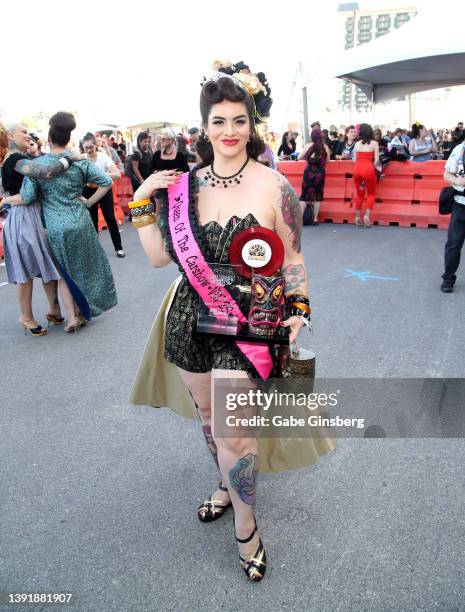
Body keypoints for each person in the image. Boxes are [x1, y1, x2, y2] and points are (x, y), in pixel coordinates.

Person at [129, 62, 334, 582]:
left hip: (250, 319)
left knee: (237, 435)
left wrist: (299, 310)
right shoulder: (181, 188)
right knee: (208, 417)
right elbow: (157, 258)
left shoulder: (274, 187)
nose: (229, 132)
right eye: (219, 121)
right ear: (204, 127)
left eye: (239, 121)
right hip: (189, 316)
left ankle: (246, 525)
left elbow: (292, 260)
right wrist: (140, 199)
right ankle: (225, 482)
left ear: (252, 124)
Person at [6, 112, 117, 331]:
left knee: (64, 273)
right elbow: (106, 181)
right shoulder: (79, 162)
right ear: (68, 139)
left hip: (55, 226)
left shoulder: (38, 164)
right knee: (85, 268)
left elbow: (27, 197)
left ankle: (71, 317)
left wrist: (7, 200)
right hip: (80, 220)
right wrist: (88, 202)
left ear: (48, 139)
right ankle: (83, 312)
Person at [0, 122, 75, 336]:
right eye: (23, 131)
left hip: (34, 215)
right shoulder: (15, 160)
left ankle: (54, 309)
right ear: (10, 136)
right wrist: (68, 158)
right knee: (26, 268)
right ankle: (26, 316)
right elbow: (46, 172)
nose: (28, 134)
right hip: (24, 217)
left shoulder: (23, 158)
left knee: (47, 262)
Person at [81, 133, 125, 258]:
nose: (89, 150)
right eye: (86, 148)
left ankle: (119, 248)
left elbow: (117, 174)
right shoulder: (82, 159)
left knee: (110, 218)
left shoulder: (103, 157)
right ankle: (95, 252)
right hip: (88, 191)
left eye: (91, 147)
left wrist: (99, 175)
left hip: (104, 190)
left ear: (96, 145)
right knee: (92, 221)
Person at [441, 138, 465, 293]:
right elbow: (446, 174)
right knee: (454, 245)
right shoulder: (459, 150)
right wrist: (457, 179)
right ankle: (448, 279)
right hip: (460, 204)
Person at [298, 127, 331, 225]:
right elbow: (328, 161)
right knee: (317, 197)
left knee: (304, 197)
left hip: (309, 172)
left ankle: (299, 220)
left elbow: (299, 157)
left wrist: (308, 158)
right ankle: (315, 219)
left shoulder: (308, 145)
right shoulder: (324, 147)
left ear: (312, 136)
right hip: (320, 173)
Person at [353, 123, 379, 227]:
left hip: (357, 169)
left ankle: (357, 217)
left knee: (359, 194)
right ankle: (367, 217)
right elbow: (376, 161)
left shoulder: (357, 144)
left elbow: (354, 160)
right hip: (368, 169)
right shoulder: (374, 143)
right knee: (371, 194)